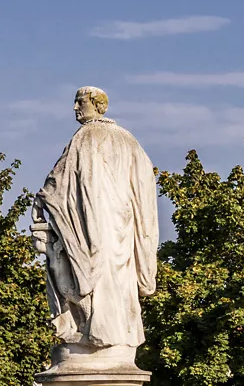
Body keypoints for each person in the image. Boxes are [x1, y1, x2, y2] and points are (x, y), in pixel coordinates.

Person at [30, 86, 158, 370]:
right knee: (116, 281)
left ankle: (93, 334)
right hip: (122, 226)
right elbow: (145, 186)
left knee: (90, 277)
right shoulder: (129, 141)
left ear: (97, 105)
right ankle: (117, 333)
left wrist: (42, 200)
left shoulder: (85, 137)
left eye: (80, 102)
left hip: (92, 224)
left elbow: (57, 184)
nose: (75, 108)